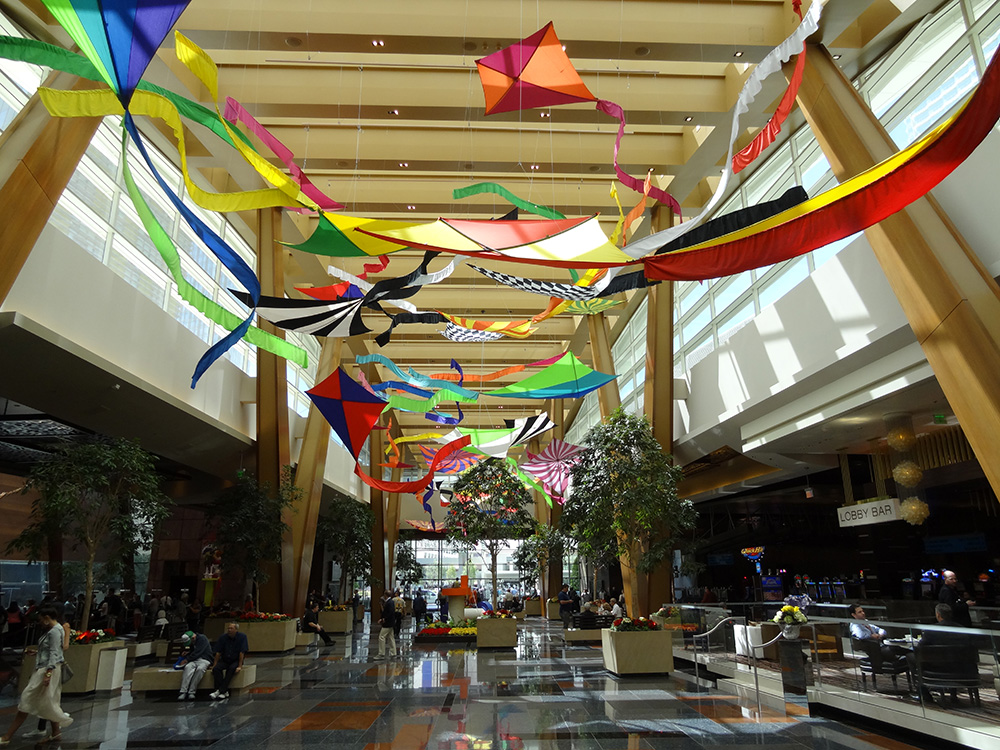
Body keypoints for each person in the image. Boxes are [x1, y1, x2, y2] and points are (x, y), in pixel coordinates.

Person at [0, 606, 73, 745]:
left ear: (46, 618)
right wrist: (37, 653)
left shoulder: (55, 631)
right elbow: (53, 650)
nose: (39, 623)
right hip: (46, 668)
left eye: (40, 620)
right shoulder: (54, 630)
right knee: (48, 701)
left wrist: (48, 672)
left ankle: (7, 736)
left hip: (46, 669)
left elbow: (54, 653)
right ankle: (56, 732)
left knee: (27, 699)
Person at [210, 621, 248, 700]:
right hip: (225, 659)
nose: (229, 630)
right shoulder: (223, 637)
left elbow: (242, 652)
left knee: (231, 669)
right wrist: (214, 664)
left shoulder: (242, 637)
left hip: (235, 660)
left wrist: (240, 666)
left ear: (236, 630)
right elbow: (218, 652)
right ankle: (223, 691)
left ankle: (219, 691)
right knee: (216, 669)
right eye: (228, 628)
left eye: (231, 628)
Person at [176, 630, 212, 700]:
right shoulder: (193, 641)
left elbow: (198, 651)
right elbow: (194, 651)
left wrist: (187, 659)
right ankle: (183, 691)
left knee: (200, 669)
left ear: (193, 637)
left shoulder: (202, 639)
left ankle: (192, 691)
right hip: (194, 660)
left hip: (204, 659)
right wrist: (188, 653)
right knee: (187, 667)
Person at [376, 591, 397, 659]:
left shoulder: (389, 603)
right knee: (391, 638)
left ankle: (381, 654)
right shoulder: (390, 602)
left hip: (387, 623)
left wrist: (383, 619)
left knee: (381, 637)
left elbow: (389, 613)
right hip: (391, 623)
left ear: (385, 595)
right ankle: (393, 653)